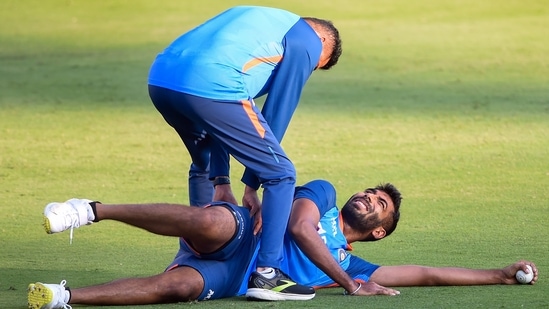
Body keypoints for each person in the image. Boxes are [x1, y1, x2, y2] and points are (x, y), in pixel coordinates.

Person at [29, 180, 538, 308]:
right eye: (371, 191)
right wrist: (348, 284)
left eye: (379, 204)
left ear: (379, 230)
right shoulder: (322, 195)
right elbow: (297, 228)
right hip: (240, 233)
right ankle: (92, 210)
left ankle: (64, 296)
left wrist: (497, 274)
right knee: (215, 224)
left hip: (231, 276)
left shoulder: (352, 259)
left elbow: (425, 273)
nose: (367, 197)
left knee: (181, 286)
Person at [146, 5, 343, 300]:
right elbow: (278, 108)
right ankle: (267, 274)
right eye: (316, 66)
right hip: (210, 84)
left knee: (204, 164)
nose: (309, 69)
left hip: (162, 79)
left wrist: (222, 181)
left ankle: (193, 258)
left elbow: (219, 122)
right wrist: (253, 185)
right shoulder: (308, 41)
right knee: (281, 174)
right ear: (323, 42)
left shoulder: (259, 19)